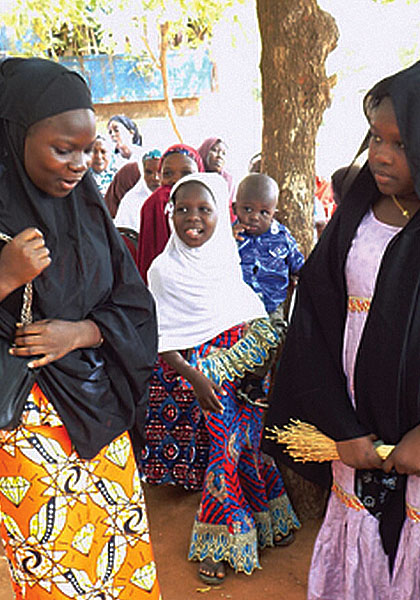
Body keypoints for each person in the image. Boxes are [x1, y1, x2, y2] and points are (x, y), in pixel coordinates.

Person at [0, 57, 160, 599]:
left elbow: (133, 305)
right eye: (61, 149)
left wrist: (81, 332)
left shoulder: (88, 213)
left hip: (100, 418)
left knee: (121, 567)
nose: (77, 165)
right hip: (26, 429)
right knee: (56, 574)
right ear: (14, 136)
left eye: (87, 151)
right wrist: (3, 278)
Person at [264, 60, 420, 599]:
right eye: (376, 137)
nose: (380, 154)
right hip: (353, 438)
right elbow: (312, 323)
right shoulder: (356, 209)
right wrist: (341, 429)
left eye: (401, 143)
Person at [148, 172, 300, 585]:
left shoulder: (226, 256)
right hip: (204, 378)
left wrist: (260, 358)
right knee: (222, 452)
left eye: (203, 209)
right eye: (182, 209)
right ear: (170, 214)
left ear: (220, 213)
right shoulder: (163, 270)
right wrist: (195, 377)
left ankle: (267, 520)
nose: (192, 219)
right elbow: (162, 338)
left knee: (249, 448)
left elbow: (247, 306)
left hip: (248, 372)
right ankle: (221, 543)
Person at [233, 173, 304, 336]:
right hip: (238, 308)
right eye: (247, 209)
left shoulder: (282, 237)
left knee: (275, 339)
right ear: (235, 207)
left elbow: (298, 265)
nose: (254, 217)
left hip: (271, 305)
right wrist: (228, 241)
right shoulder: (228, 236)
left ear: (274, 213)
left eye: (264, 212)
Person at [136, 144, 204, 282]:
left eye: (186, 174)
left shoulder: (211, 203)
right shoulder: (157, 202)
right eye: (167, 174)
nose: (175, 180)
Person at [111, 149, 162, 234]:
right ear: (142, 172)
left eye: (159, 172)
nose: (155, 178)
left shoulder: (175, 198)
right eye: (149, 172)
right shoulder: (130, 201)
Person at [198, 137, 235, 221]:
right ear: (204, 152)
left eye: (223, 153)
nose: (219, 156)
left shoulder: (227, 180)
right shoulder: (193, 175)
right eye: (214, 150)